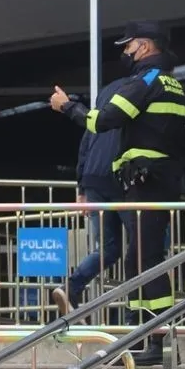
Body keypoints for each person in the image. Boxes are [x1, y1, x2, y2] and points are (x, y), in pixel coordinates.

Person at [50, 20, 185, 366]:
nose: (125, 53)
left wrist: (67, 106)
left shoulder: (145, 82)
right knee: (139, 260)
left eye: (128, 47)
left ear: (143, 47)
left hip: (146, 184)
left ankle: (157, 343)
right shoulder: (173, 84)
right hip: (156, 181)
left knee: (146, 262)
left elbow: (102, 121)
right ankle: (145, 337)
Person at [51, 86, 124, 319]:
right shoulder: (128, 116)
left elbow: (84, 152)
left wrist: (82, 189)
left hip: (93, 183)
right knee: (144, 245)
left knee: (108, 248)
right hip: (119, 182)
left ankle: (72, 287)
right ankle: (139, 310)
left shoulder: (96, 118)